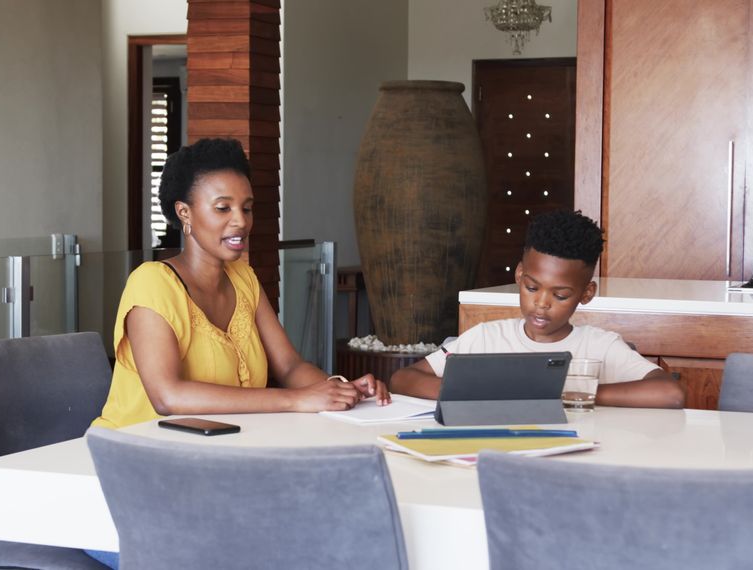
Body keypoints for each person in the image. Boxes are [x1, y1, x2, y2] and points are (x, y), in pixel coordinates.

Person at [93, 138, 389, 431]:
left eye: (246, 209)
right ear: (185, 212)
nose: (241, 221)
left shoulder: (243, 278)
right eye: (223, 208)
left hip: (216, 449)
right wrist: (295, 400)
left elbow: (289, 367)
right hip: (129, 454)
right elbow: (168, 396)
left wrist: (340, 389)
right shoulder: (152, 282)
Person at [390, 209, 685, 408]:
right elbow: (402, 379)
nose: (542, 303)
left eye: (561, 295)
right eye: (532, 288)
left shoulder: (600, 346)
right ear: (519, 275)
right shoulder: (485, 338)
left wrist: (570, 393)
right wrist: (475, 392)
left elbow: (670, 393)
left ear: (586, 294)